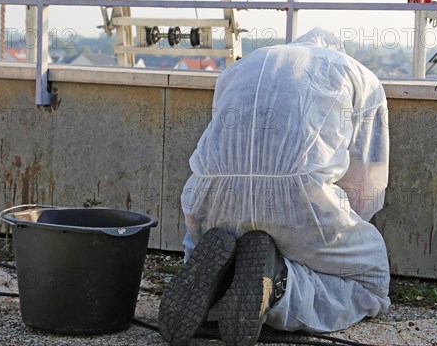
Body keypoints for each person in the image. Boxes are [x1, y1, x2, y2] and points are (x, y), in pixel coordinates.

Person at [158, 27, 391, 346]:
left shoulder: (240, 67)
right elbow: (366, 182)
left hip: (211, 202)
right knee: (370, 284)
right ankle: (280, 282)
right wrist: (348, 227)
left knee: (216, 248)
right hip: (301, 201)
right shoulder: (358, 75)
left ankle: (220, 285)